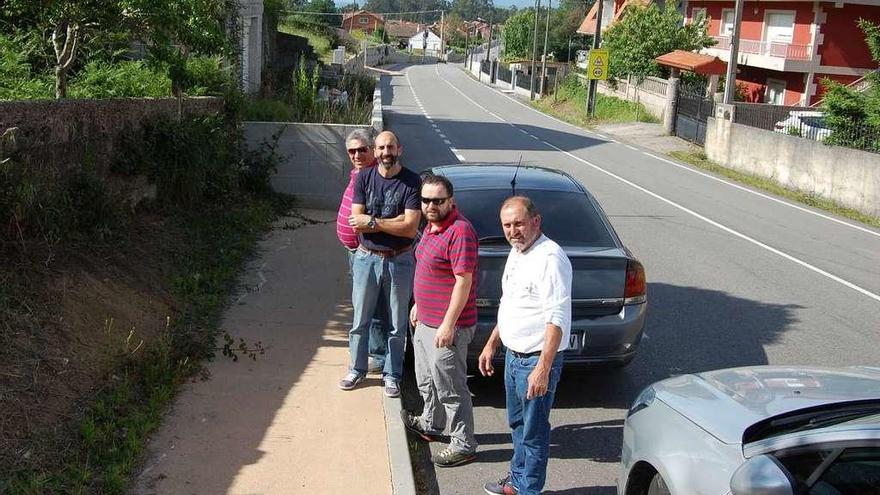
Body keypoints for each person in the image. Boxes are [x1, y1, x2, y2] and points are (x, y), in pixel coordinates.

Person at [478, 196, 572, 495]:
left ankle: (529, 490)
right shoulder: (517, 252)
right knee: (518, 425)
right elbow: (510, 304)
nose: (513, 230)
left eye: (519, 223)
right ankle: (517, 482)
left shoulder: (550, 258)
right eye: (507, 225)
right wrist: (492, 343)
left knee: (533, 433)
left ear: (536, 221)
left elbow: (557, 318)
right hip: (513, 357)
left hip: (534, 361)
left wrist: (543, 369)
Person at [403, 174, 479, 468]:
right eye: (426, 200)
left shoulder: (460, 231)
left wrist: (448, 325)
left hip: (448, 327)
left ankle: (464, 443)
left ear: (451, 201)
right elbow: (429, 269)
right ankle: (431, 424)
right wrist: (419, 305)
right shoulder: (432, 227)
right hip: (426, 321)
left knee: (451, 387)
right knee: (426, 380)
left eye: (438, 200)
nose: (431, 205)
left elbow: (463, 281)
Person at [339, 131, 421, 398]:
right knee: (360, 319)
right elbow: (355, 219)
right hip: (366, 258)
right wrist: (392, 222)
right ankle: (356, 369)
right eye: (381, 148)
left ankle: (392, 375)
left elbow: (410, 229)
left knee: (397, 324)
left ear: (400, 149)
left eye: (391, 147)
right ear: (375, 151)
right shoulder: (364, 178)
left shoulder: (411, 181)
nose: (386, 152)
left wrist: (373, 223)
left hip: (400, 260)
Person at [336, 129, 390, 374]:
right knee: (361, 305)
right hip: (354, 252)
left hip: (366, 253)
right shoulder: (358, 174)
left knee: (374, 307)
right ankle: (369, 352)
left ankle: (378, 357)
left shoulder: (375, 177)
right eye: (352, 151)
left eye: (362, 150)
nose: (357, 155)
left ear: (373, 151)